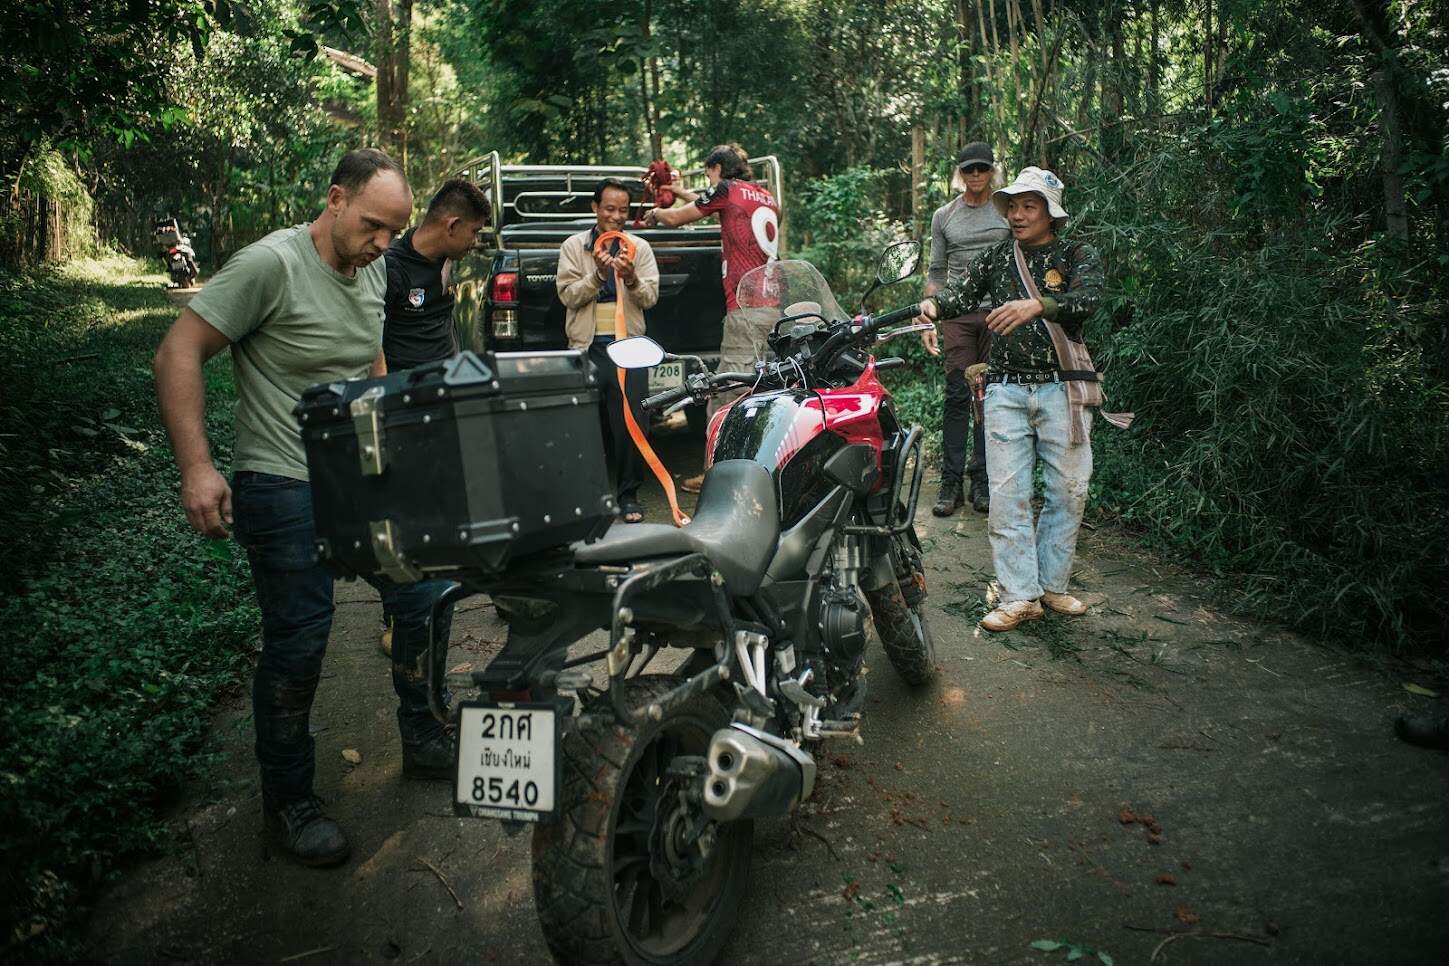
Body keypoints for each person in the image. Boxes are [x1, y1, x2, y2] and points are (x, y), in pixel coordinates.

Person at [152, 148, 450, 869]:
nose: (384, 244)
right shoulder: (271, 265)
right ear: (336, 198)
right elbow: (177, 352)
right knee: (299, 641)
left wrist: (387, 453)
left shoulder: (374, 267)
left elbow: (370, 360)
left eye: (394, 231)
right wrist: (197, 467)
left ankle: (424, 734)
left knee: (426, 591)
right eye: (375, 226)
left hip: (355, 475)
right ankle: (289, 802)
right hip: (280, 481)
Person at [916, 167, 1104, 632]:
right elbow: (961, 294)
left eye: (1028, 206)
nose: (1017, 215)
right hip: (1006, 389)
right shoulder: (999, 256)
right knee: (1007, 496)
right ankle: (1020, 595)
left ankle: (1053, 586)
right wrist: (932, 306)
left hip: (1064, 389)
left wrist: (1040, 305)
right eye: (1013, 206)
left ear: (1049, 213)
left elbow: (1091, 299)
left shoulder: (1077, 252)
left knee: (1068, 491)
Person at [374, 178, 492, 657]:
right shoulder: (389, 270)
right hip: (402, 412)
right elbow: (371, 344)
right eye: (475, 233)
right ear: (452, 224)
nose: (477, 243)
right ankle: (397, 616)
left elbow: (446, 329)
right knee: (398, 519)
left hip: (442, 407)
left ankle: (436, 597)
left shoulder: (445, 262)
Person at [644, 144, 779, 492]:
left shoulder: (725, 190)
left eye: (708, 172)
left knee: (723, 396)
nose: (708, 178)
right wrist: (678, 192)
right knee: (759, 388)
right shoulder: (764, 196)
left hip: (744, 309)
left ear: (718, 168)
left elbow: (677, 217)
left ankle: (716, 475)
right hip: (771, 306)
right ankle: (760, 464)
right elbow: (717, 201)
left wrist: (654, 215)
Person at [557, 178, 660, 523]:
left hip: (628, 347)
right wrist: (598, 276)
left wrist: (630, 279)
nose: (616, 216)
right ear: (595, 208)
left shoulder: (639, 248)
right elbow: (568, 296)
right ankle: (590, 497)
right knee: (585, 425)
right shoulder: (574, 246)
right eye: (609, 208)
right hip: (586, 346)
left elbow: (650, 298)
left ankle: (628, 495)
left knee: (631, 422)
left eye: (623, 210)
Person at [921, 142, 1009, 517]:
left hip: (999, 315)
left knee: (991, 398)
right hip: (957, 315)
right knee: (958, 395)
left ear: (991, 171)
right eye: (969, 169)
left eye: (982, 169)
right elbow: (937, 271)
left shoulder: (1006, 211)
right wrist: (928, 317)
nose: (976, 175)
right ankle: (951, 483)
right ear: (960, 172)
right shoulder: (945, 216)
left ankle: (984, 482)